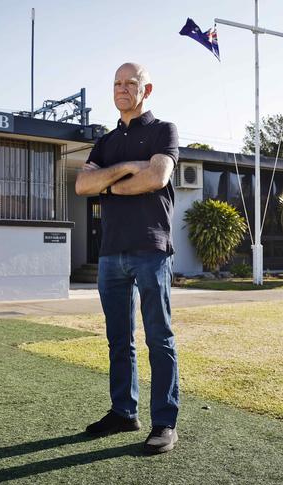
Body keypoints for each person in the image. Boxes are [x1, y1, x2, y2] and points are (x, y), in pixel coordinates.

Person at [75, 62, 180, 455]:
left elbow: (157, 177)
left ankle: (165, 423)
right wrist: (126, 170)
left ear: (146, 89)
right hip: (111, 253)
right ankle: (123, 411)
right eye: (116, 83)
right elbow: (84, 184)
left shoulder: (163, 131)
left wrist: (112, 186)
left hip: (151, 248)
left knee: (159, 338)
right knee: (119, 339)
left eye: (130, 82)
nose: (122, 88)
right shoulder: (104, 142)